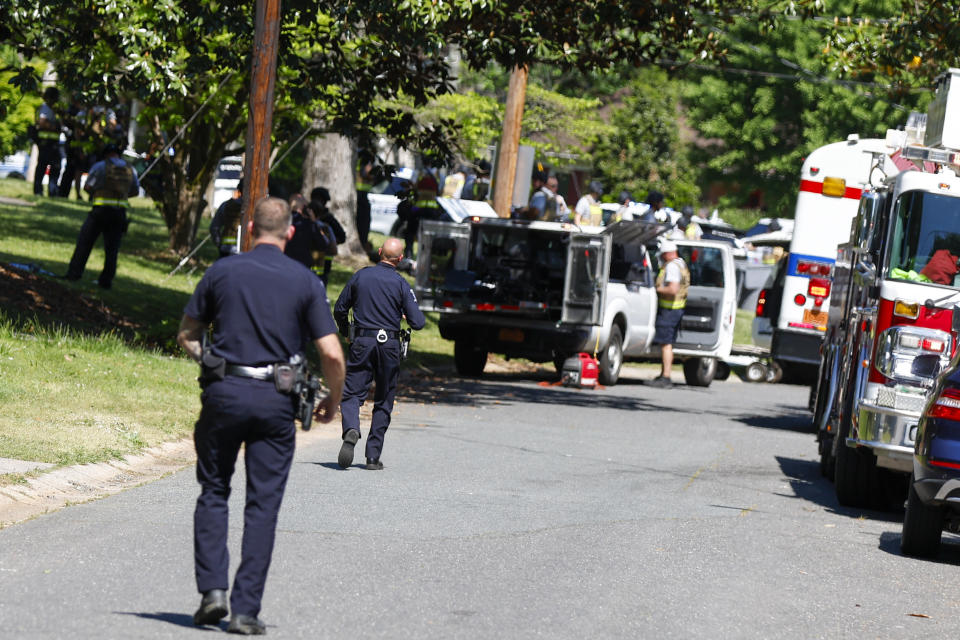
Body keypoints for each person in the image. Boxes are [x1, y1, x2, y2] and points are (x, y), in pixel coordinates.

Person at [177, 196, 346, 635]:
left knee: (214, 490)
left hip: (225, 394)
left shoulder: (222, 271)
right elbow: (331, 351)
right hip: (276, 400)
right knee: (262, 505)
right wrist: (334, 398)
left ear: (250, 228)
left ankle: (212, 591)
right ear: (290, 232)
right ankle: (245, 611)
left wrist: (211, 363)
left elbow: (187, 335)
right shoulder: (305, 281)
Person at [334, 237, 426, 470]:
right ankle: (373, 457)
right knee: (384, 398)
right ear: (401, 259)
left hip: (362, 341)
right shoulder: (401, 283)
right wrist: (403, 312)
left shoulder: (360, 276)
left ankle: (352, 428)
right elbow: (418, 322)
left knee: (353, 393)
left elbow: (340, 309)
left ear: (378, 252)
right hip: (389, 346)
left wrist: (347, 332)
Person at [64, 143, 140, 289]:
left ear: (105, 154)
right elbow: (135, 191)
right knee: (112, 249)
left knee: (84, 243)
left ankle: (74, 274)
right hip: (119, 213)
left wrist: (97, 193)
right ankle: (106, 281)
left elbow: (88, 186)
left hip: (100, 212)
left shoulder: (100, 166)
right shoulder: (131, 169)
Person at [649, 239, 690, 389]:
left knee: (666, 344)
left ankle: (666, 376)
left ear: (667, 253)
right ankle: (663, 374)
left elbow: (672, 289)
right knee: (668, 343)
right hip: (676, 309)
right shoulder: (681, 263)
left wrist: (657, 289)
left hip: (669, 310)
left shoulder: (672, 267)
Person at [285, 193, 337, 283]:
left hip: (283, 268)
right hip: (302, 271)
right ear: (305, 208)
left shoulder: (280, 222)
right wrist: (313, 222)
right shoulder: (310, 225)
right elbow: (324, 244)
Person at [308, 187, 346, 281]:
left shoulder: (328, 220)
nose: (324, 204)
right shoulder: (305, 219)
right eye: (322, 201)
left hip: (324, 262)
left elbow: (342, 237)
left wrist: (328, 242)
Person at [33, 87, 62, 197]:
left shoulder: (53, 109)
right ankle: (38, 191)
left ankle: (53, 191)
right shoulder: (45, 108)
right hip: (46, 142)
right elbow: (42, 123)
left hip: (53, 142)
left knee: (55, 167)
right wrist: (55, 127)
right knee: (42, 166)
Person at [210, 182, 245, 259]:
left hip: (226, 250)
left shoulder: (226, 205)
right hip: (248, 251)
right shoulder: (258, 208)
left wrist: (219, 243)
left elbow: (214, 228)